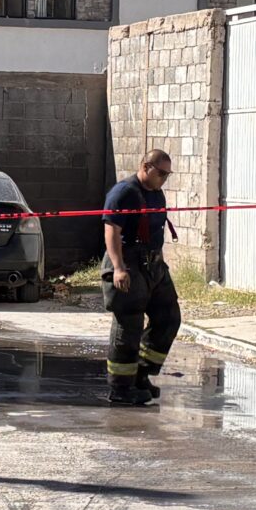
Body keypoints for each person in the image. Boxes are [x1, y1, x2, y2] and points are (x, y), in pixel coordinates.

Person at [100, 149, 182, 406]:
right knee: (129, 325)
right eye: (161, 173)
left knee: (169, 317)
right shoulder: (123, 192)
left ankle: (141, 373)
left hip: (153, 263)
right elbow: (111, 230)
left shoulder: (156, 193)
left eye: (168, 175)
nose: (164, 179)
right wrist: (119, 268)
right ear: (146, 167)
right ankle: (121, 388)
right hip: (128, 262)